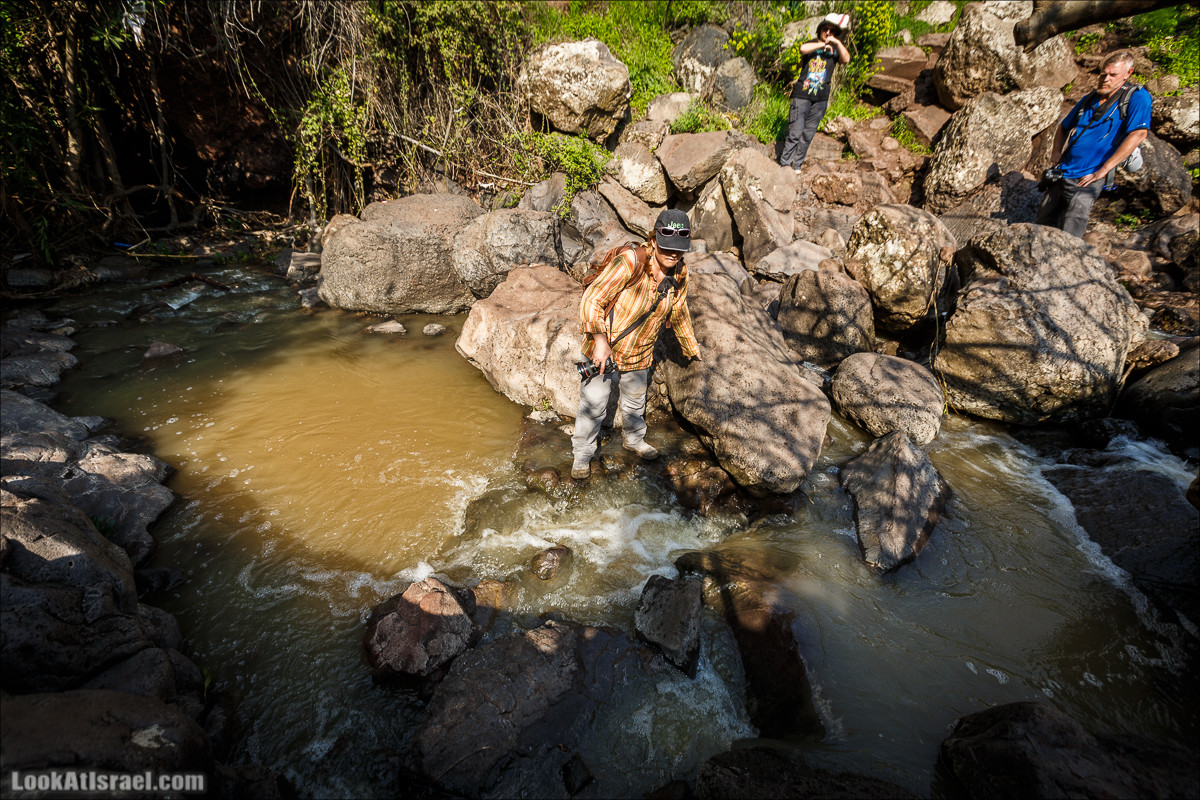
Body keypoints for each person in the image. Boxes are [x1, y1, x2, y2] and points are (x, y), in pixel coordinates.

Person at [571, 209, 701, 480]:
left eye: (678, 249)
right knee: (594, 403)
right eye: (667, 246)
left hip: (640, 350)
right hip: (604, 347)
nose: (673, 254)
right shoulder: (631, 261)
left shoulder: (680, 273)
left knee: (635, 399)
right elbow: (592, 299)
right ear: (653, 240)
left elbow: (679, 310)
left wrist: (692, 349)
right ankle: (582, 454)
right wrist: (600, 341)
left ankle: (634, 439)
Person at [1037, 50, 1151, 238]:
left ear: (1128, 73)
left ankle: (1070, 256)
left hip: (1089, 176)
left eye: (1113, 75)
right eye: (1103, 74)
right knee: (1042, 223)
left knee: (1072, 229)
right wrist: (1056, 153)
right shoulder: (1089, 99)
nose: (1106, 79)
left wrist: (1104, 170)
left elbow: (1138, 134)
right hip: (1063, 172)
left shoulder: (1137, 97)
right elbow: (1063, 127)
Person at [779, 13, 850, 173]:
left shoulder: (836, 50)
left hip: (820, 99)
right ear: (820, 29)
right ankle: (784, 165)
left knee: (808, 135)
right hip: (802, 95)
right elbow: (802, 49)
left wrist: (837, 43)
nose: (828, 33)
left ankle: (796, 166)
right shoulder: (811, 44)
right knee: (795, 132)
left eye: (832, 31)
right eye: (826, 29)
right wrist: (821, 45)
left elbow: (846, 59)